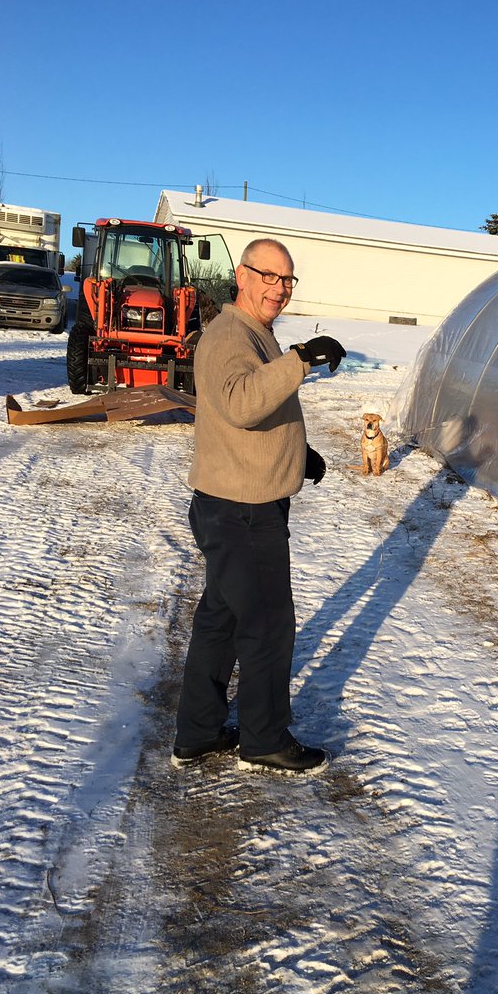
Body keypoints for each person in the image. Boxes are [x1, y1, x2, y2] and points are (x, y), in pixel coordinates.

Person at [172, 237, 346, 775]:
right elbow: (243, 403)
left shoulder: (254, 334)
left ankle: (198, 733)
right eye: (268, 276)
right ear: (241, 277)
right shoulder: (230, 334)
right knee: (268, 625)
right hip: (244, 510)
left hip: (234, 501)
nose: (279, 289)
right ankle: (264, 738)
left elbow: (249, 413)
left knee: (220, 622)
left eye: (287, 280)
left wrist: (299, 454)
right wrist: (300, 360)